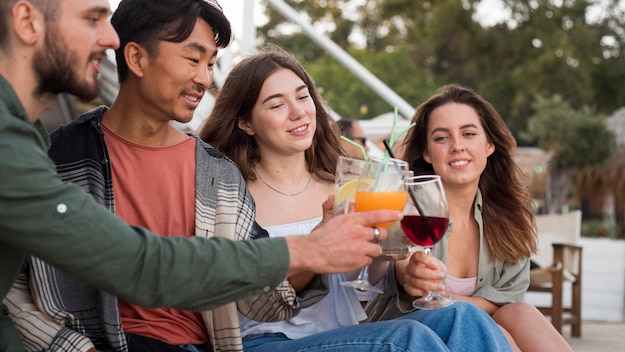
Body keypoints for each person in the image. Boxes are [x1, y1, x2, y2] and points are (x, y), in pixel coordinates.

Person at [0, 0, 401, 350]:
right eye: (193, 60)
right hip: (105, 342)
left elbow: (262, 302)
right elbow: (24, 287)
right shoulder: (57, 155)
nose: (206, 78)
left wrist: (316, 249)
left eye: (210, 63)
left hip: (195, 346)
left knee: (456, 321)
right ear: (137, 59)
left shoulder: (217, 172)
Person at [199, 48, 513, 352]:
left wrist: (399, 259)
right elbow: (247, 294)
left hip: (345, 336)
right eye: (276, 104)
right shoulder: (231, 194)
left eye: (303, 95)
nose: (298, 112)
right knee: (407, 339)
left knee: (465, 317)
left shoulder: (348, 183)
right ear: (246, 122)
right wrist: (316, 245)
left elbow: (375, 271)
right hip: (265, 341)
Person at [366, 84, 572, 351]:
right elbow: (402, 264)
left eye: (469, 133)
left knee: (520, 313)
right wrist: (411, 274)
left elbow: (505, 299)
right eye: (441, 138)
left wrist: (448, 297)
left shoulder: (510, 216)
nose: (457, 146)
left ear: (489, 144)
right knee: (497, 333)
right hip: (409, 333)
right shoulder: (407, 204)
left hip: (475, 330)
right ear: (427, 152)